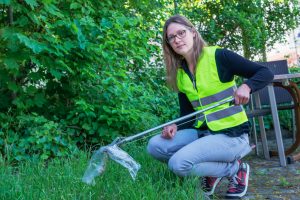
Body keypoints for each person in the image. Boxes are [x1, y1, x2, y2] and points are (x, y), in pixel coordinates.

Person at [147, 15, 274, 198]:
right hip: (204, 133)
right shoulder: (181, 73)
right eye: (171, 37)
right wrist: (176, 126)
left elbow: (265, 72)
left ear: (193, 32)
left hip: (232, 135)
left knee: (178, 164)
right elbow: (188, 114)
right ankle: (212, 171)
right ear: (168, 44)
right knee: (155, 146)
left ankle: (235, 170)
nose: (177, 39)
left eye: (181, 33)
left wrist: (247, 86)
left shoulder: (218, 56)